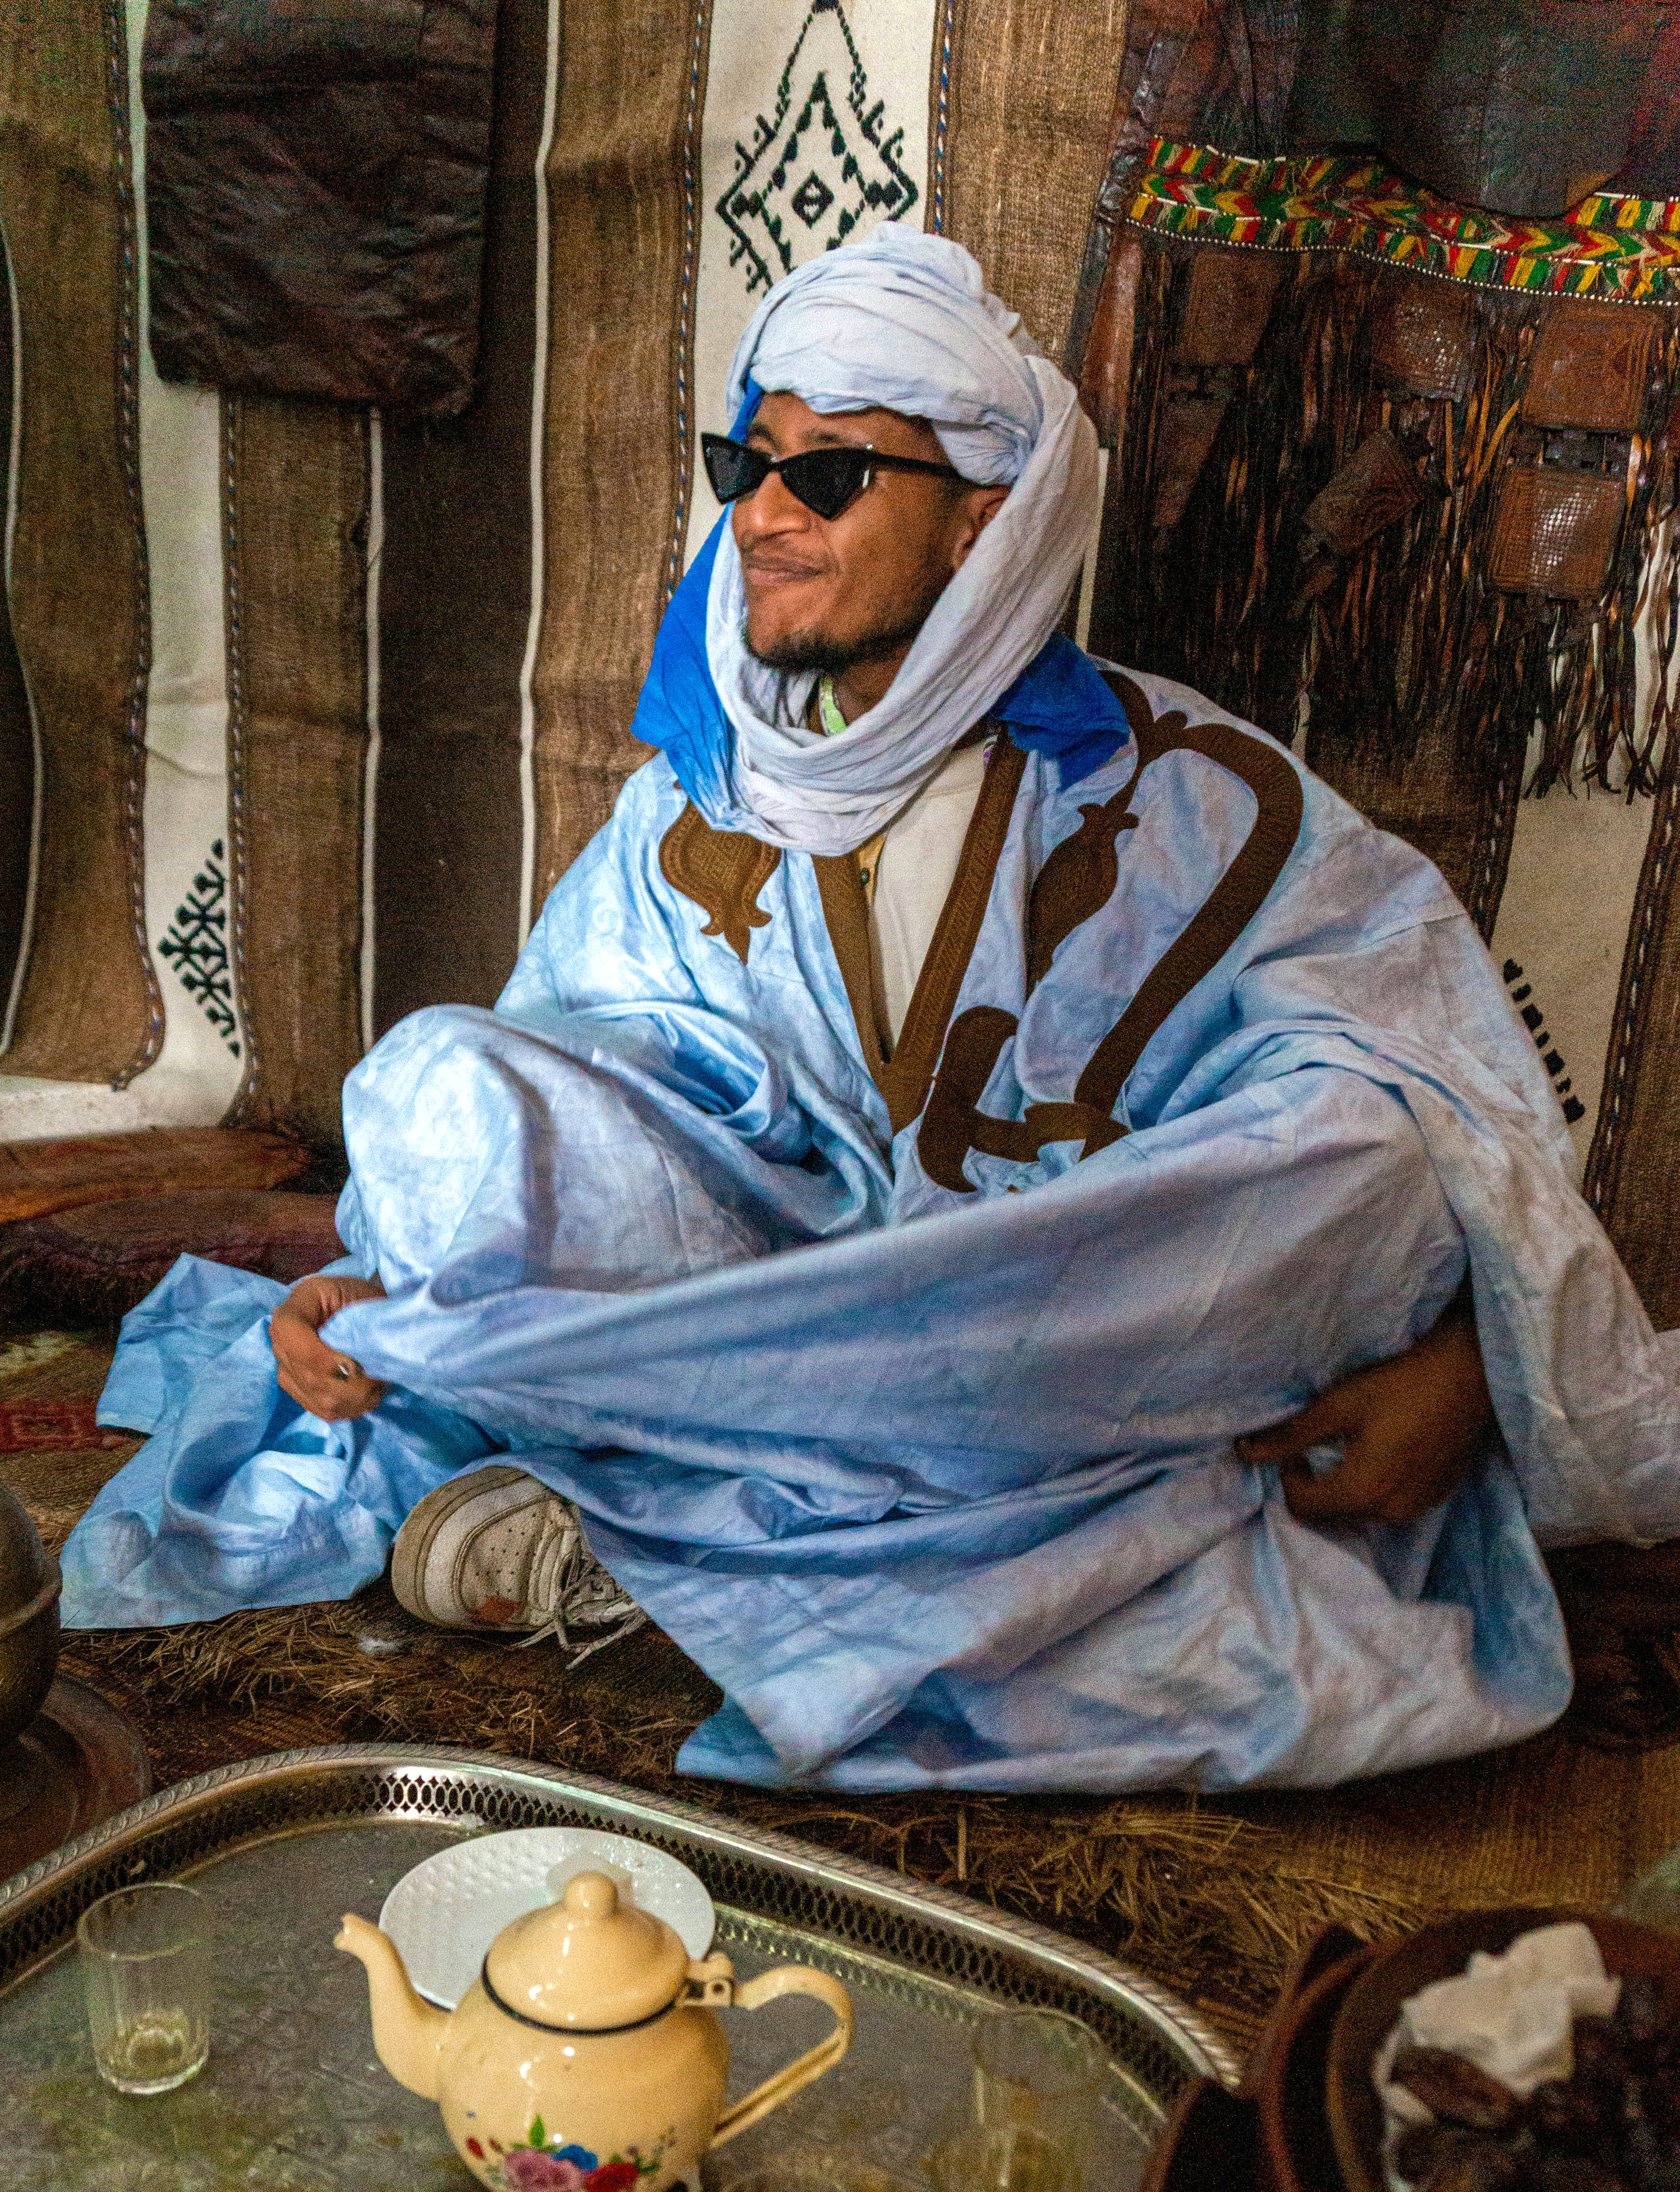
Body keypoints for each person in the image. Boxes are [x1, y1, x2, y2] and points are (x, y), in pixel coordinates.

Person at [60, 226, 1680, 1792]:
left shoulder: (1201, 793)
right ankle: (799, 1517)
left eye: (826, 471)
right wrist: (382, 1279)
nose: (761, 515)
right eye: (745, 467)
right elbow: (566, 1090)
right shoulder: (690, 806)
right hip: (767, 1305)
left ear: (986, 515)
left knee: (1358, 1150)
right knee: (432, 1086)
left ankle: (662, 1518)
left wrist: (1470, 1371)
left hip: (1057, 1329)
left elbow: (1439, 1103)